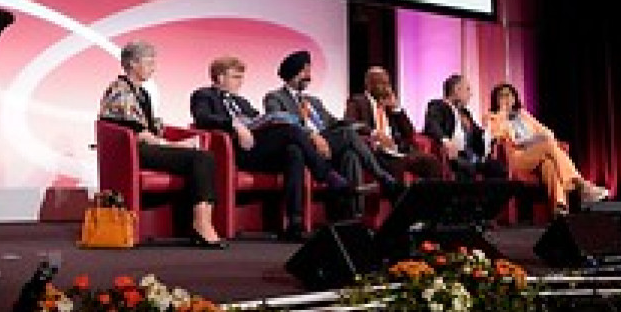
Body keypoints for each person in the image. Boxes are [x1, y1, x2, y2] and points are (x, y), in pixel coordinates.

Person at [189, 55, 356, 242]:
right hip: (233, 151)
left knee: (294, 151)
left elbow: (256, 119)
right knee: (291, 131)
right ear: (220, 77)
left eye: (242, 77)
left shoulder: (242, 102)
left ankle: (294, 224)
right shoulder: (204, 95)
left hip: (257, 148)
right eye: (235, 77)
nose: (240, 82)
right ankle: (327, 175)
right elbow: (203, 118)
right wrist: (234, 125)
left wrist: (266, 122)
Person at [98, 40, 226, 249]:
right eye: (149, 62)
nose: (153, 67)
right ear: (132, 64)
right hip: (132, 151)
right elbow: (137, 132)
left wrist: (177, 142)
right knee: (201, 158)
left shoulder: (142, 92)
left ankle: (201, 221)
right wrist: (172, 145)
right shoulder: (120, 91)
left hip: (148, 146)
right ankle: (201, 224)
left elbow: (153, 127)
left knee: (204, 156)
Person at [263, 50, 398, 220]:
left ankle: (351, 217)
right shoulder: (275, 97)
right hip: (304, 145)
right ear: (293, 72)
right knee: (347, 135)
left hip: (326, 143)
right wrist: (310, 132)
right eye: (305, 71)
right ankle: (383, 178)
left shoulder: (313, 101)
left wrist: (369, 131)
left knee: (350, 154)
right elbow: (280, 123)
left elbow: (335, 122)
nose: (309, 76)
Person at [483, 81, 607, 215]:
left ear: (514, 98)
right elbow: (496, 135)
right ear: (496, 100)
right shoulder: (492, 117)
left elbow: (547, 133)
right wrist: (502, 114)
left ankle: (560, 209)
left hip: (537, 152)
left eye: (510, 95)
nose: (507, 98)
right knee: (547, 145)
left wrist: (536, 139)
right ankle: (581, 185)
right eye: (502, 96)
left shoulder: (523, 115)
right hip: (519, 159)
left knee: (549, 165)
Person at [345, 66, 445, 182]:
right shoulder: (357, 102)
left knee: (431, 162)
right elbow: (349, 123)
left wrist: (396, 109)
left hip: (397, 151)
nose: (386, 88)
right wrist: (374, 133)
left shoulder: (389, 106)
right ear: (369, 84)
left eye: (388, 83)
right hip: (376, 152)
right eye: (382, 83)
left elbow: (409, 133)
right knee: (397, 167)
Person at [423, 73, 507, 181]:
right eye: (467, 89)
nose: (471, 94)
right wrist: (445, 141)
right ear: (457, 90)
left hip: (471, 155)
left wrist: (492, 137)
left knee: (498, 168)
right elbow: (432, 124)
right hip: (454, 156)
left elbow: (478, 132)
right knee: (468, 168)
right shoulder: (438, 106)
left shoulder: (465, 113)